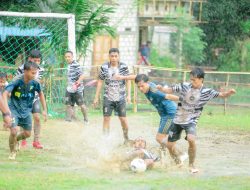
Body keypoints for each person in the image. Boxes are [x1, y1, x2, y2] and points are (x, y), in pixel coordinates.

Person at [157, 67, 236, 173]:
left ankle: (191, 165)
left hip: (191, 120)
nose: (192, 81)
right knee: (170, 145)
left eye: (194, 79)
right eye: (191, 79)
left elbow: (222, 95)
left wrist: (229, 93)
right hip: (177, 120)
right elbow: (170, 90)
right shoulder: (184, 86)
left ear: (201, 79)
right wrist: (161, 88)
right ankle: (178, 162)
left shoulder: (207, 92)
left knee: (191, 139)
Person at [114, 74, 188, 165]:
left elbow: (168, 96)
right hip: (164, 114)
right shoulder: (145, 82)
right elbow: (136, 76)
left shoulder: (154, 91)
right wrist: (122, 77)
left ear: (147, 83)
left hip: (170, 113)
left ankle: (181, 154)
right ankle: (171, 158)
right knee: (163, 139)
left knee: (159, 138)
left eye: (142, 86)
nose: (141, 88)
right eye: (139, 87)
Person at [2, 61, 47, 160]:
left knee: (27, 134)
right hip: (14, 109)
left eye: (36, 73)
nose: (35, 75)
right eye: (33, 73)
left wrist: (44, 110)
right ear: (25, 71)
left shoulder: (35, 82)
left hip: (26, 110)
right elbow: (5, 93)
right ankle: (12, 152)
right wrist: (7, 111)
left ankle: (16, 140)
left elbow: (41, 94)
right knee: (13, 131)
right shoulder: (17, 80)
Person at [93, 48, 131, 144]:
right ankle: (105, 139)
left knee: (123, 119)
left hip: (121, 97)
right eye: (112, 56)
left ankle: (126, 138)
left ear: (118, 57)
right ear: (109, 56)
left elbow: (128, 80)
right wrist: (96, 97)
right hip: (108, 97)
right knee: (106, 118)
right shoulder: (104, 67)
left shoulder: (123, 67)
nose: (114, 58)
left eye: (116, 56)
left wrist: (129, 95)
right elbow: (100, 81)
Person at [15, 49, 45, 149]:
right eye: (34, 60)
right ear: (29, 59)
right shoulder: (21, 69)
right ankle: (23, 138)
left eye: (38, 61)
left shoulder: (41, 70)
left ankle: (36, 141)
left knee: (37, 117)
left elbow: (39, 85)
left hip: (34, 97)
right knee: (24, 118)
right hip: (23, 98)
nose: (36, 63)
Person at [64, 51, 88, 124]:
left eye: (69, 56)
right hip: (69, 89)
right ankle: (69, 120)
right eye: (66, 57)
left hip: (77, 90)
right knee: (69, 105)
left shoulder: (76, 64)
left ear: (72, 57)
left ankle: (86, 119)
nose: (67, 58)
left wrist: (76, 84)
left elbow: (83, 75)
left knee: (82, 105)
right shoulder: (68, 65)